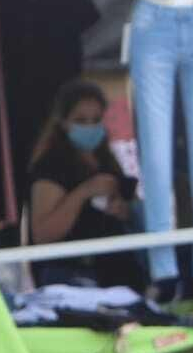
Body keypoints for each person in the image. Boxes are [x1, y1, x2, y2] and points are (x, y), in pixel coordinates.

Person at [27, 79, 144, 290]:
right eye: (81, 120)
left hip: (117, 272)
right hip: (74, 274)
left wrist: (123, 210)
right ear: (63, 122)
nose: (90, 127)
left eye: (96, 120)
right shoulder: (51, 166)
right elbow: (43, 234)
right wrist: (83, 193)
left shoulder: (106, 159)